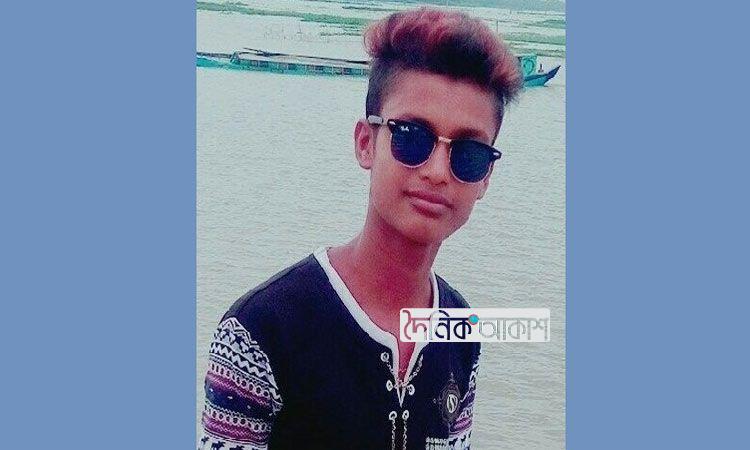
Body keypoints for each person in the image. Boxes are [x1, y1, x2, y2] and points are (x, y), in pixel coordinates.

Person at [198, 7, 521, 450]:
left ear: (485, 177)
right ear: (366, 143)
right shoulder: (261, 330)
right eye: (411, 137)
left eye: (468, 154)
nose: (437, 172)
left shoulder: (461, 329)